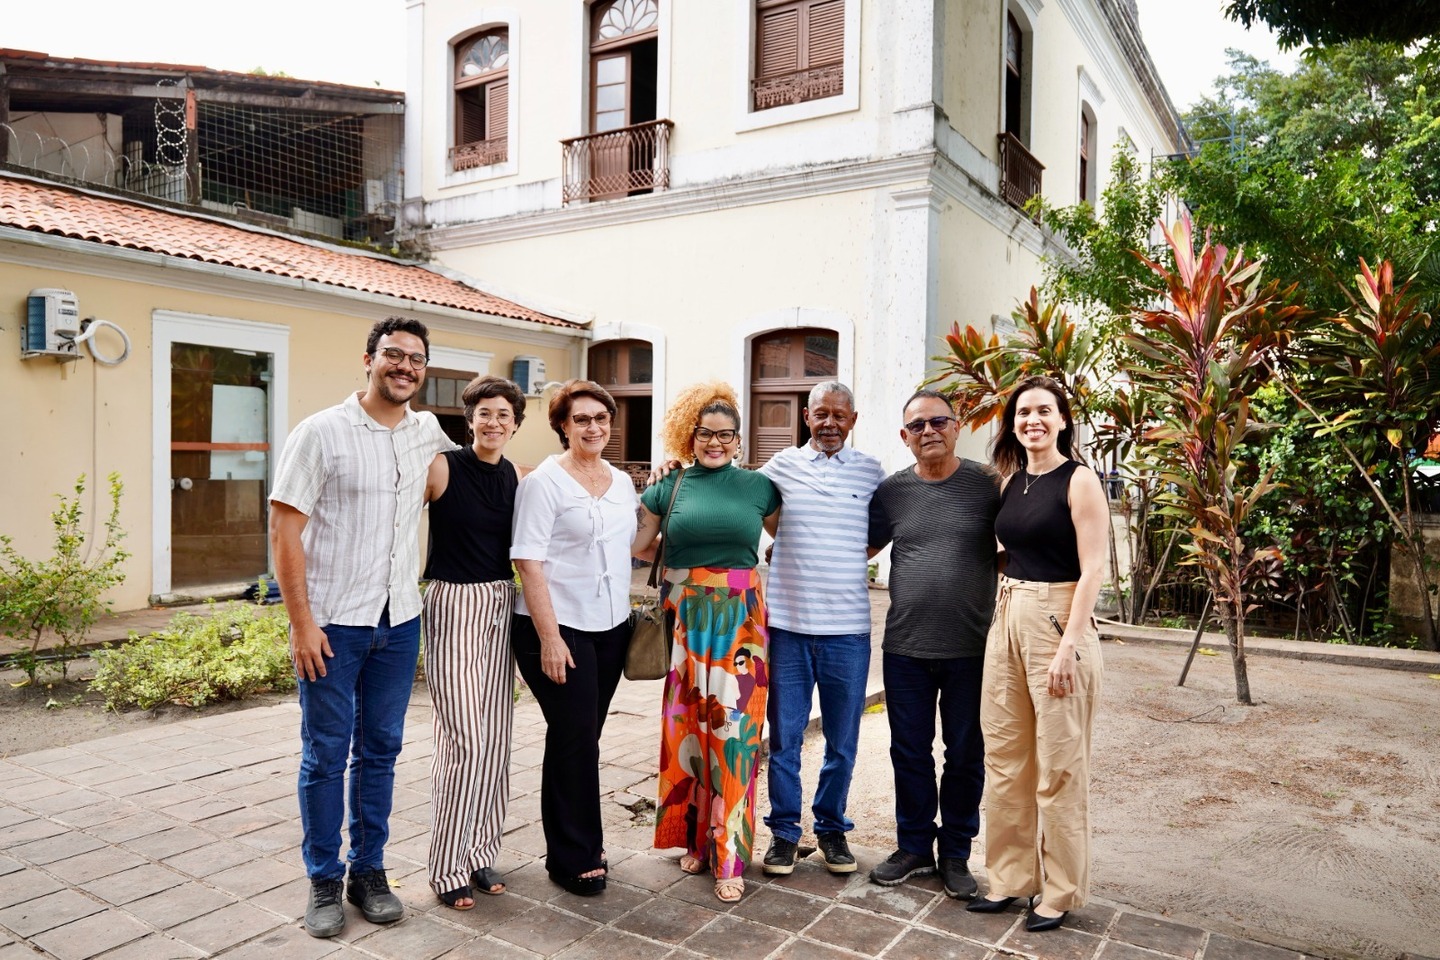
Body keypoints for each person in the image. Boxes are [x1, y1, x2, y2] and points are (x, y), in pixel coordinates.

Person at [269, 316, 455, 939]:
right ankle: (323, 880)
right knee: (324, 755)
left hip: (400, 622)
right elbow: (284, 530)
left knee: (381, 752)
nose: (405, 367)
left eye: (417, 360)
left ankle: (367, 872)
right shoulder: (321, 433)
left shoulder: (427, 428)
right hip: (334, 626)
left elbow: (458, 474)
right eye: (394, 356)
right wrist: (301, 624)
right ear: (369, 359)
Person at [968, 375, 1107, 932]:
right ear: (1013, 424)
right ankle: (1008, 880)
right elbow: (1010, 553)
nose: (1033, 421)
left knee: (1060, 766)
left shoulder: (1080, 481)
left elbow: (1092, 567)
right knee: (1004, 761)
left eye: (1044, 411)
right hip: (1006, 618)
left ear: (1063, 420)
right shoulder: (1012, 483)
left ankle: (1060, 891)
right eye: (1024, 412)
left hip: (1058, 622)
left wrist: (1069, 646)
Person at [633, 381, 780, 903]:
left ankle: (731, 855)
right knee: (690, 733)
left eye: (726, 435)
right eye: (705, 433)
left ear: (739, 440)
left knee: (735, 737)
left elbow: (789, 541)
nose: (715, 442)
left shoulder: (760, 487)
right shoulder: (668, 487)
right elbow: (636, 544)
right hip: (685, 622)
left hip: (742, 624)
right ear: (688, 436)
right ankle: (696, 836)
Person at [866, 389, 999, 899]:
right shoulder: (892, 492)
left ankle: (957, 852)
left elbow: (1015, 552)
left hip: (972, 647)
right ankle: (915, 846)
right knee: (909, 752)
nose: (928, 432)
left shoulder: (988, 485)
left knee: (965, 754)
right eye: (917, 426)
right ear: (905, 437)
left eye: (937, 422)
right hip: (905, 648)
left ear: (957, 425)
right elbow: (859, 547)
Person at [510, 380, 638, 897]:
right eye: (581, 419)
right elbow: (528, 560)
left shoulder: (621, 482)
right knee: (573, 737)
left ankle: (577, 840)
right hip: (557, 628)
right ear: (563, 425)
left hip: (610, 627)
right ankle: (574, 856)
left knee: (582, 738)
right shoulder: (543, 482)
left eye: (601, 418)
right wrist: (550, 637)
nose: (593, 427)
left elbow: (636, 543)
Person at [758, 381, 885, 877]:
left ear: (852, 420)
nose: (830, 423)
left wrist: (850, 558)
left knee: (842, 740)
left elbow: (884, 528)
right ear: (806, 418)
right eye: (821, 414)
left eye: (840, 415)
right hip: (788, 627)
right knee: (785, 738)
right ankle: (785, 834)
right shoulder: (780, 466)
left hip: (848, 631)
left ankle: (831, 828)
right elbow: (743, 494)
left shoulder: (872, 470)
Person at [421, 375, 530, 909]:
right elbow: (394, 522)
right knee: (462, 738)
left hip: (498, 602)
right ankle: (446, 864)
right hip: (452, 601)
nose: (493, 423)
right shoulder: (442, 465)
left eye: (504, 416)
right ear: (469, 419)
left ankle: (481, 848)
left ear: (515, 425)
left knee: (495, 735)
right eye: (484, 413)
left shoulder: (512, 475)